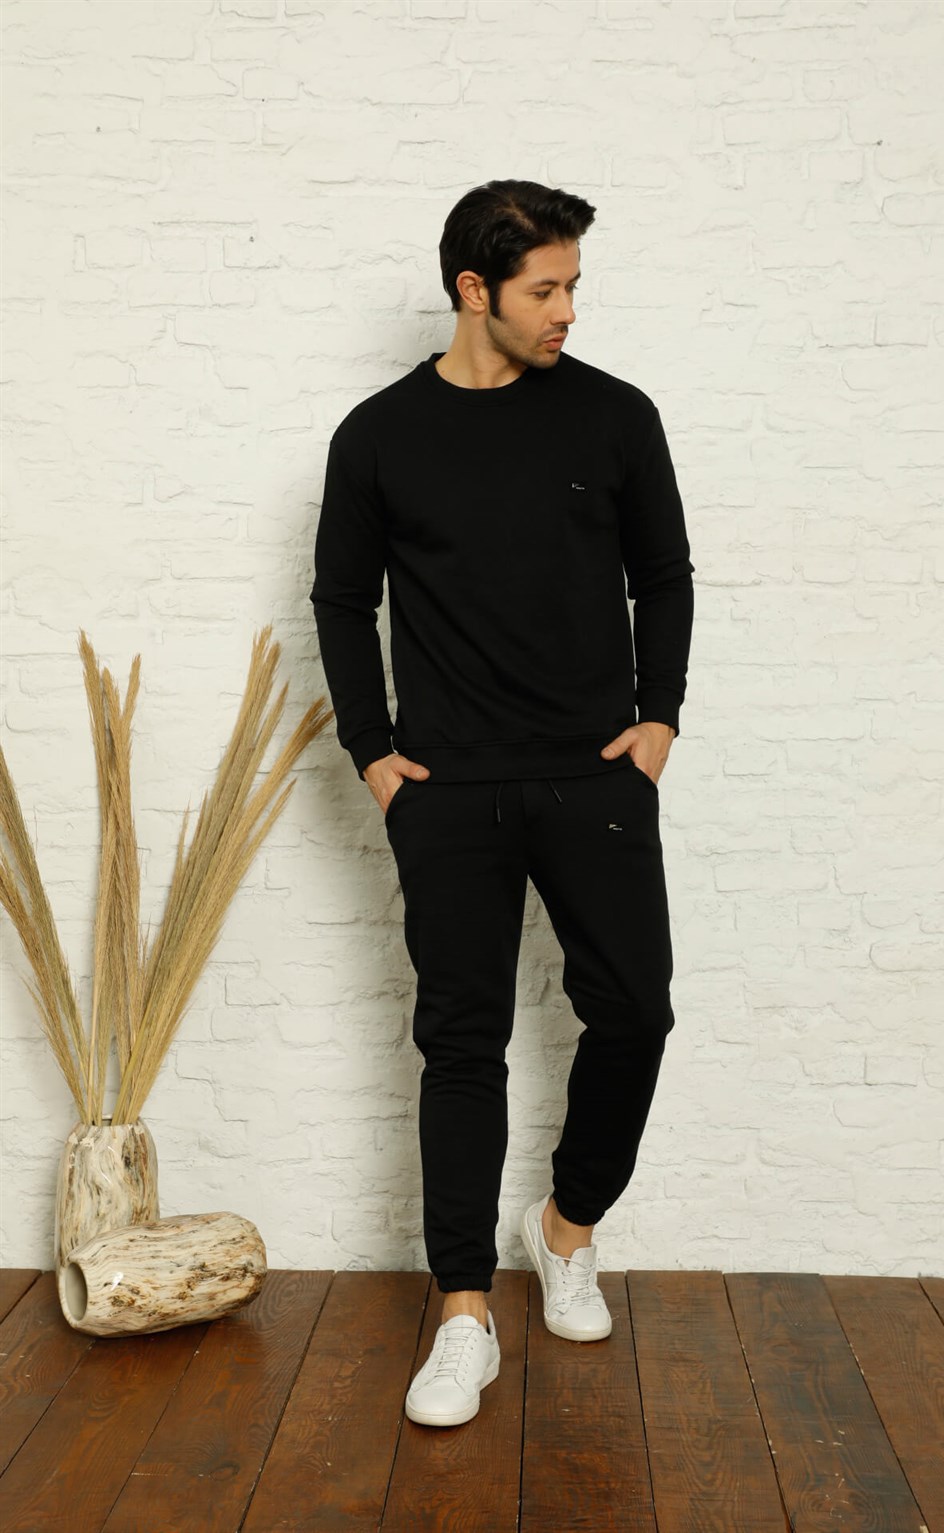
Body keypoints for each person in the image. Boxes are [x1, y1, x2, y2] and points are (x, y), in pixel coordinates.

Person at [310, 178, 695, 1429]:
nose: (567, 308)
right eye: (545, 288)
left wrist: (657, 719)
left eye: (572, 284)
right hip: (447, 791)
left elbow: (663, 573)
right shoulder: (378, 435)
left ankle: (565, 1227)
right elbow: (340, 600)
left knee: (633, 1010)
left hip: (594, 775)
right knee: (461, 1042)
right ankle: (463, 1314)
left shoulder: (615, 416)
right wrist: (372, 751)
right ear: (473, 290)